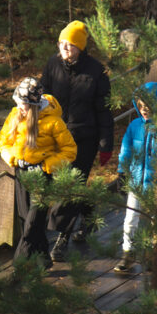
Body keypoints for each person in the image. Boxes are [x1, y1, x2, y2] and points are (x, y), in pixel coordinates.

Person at [40, 20, 114, 261]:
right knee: (59, 183)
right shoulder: (53, 64)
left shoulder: (96, 72)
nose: (65, 49)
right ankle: (89, 213)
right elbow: (42, 97)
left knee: (69, 186)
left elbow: (104, 110)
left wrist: (106, 144)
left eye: (70, 45)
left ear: (81, 48)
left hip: (85, 138)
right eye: (62, 43)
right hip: (57, 137)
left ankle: (62, 238)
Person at [0, 77, 77, 267]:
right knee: (26, 219)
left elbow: (70, 151)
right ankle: (43, 258)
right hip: (21, 173)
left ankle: (18, 267)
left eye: (23, 105)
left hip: (42, 176)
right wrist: (12, 158)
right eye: (18, 103)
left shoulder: (53, 122)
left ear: (33, 105)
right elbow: (3, 142)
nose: (20, 108)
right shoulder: (15, 115)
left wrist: (47, 165)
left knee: (32, 223)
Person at [114, 81, 157, 274]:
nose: (144, 110)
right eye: (140, 105)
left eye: (148, 106)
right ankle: (128, 252)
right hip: (136, 181)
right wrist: (121, 172)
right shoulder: (135, 126)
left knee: (156, 220)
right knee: (130, 218)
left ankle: (155, 254)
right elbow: (125, 150)